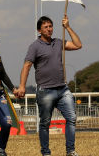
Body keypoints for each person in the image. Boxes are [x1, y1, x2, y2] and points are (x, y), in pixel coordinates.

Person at [15, 16, 82, 156]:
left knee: (72, 118)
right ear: (39, 30)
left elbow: (78, 45)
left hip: (62, 89)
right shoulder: (35, 46)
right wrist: (22, 86)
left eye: (51, 26)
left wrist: (68, 27)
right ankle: (45, 152)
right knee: (45, 123)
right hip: (45, 91)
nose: (49, 29)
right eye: (45, 27)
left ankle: (70, 151)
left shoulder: (58, 42)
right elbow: (27, 66)